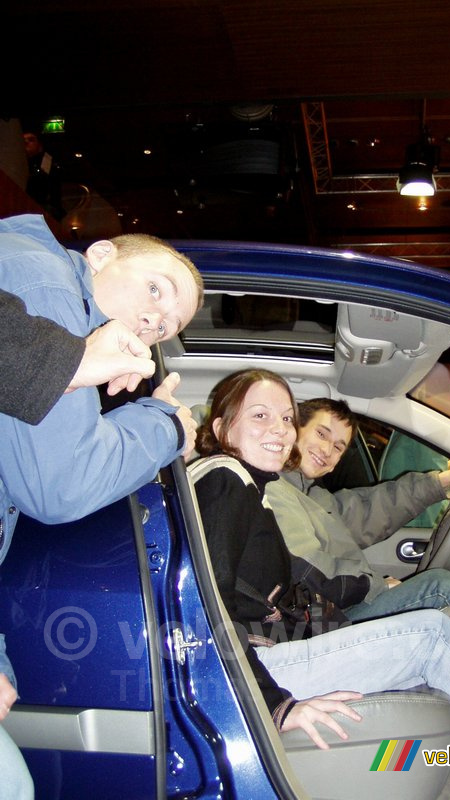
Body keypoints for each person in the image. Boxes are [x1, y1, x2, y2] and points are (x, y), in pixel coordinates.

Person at [194, 368, 450, 800]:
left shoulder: (265, 488)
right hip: (254, 664)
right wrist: (278, 704)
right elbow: (206, 608)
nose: (279, 429)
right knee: (432, 626)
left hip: (278, 644)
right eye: (260, 416)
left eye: (286, 418)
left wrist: (438, 483)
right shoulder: (226, 480)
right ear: (221, 427)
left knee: (432, 629)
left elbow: (361, 511)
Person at [0, 212, 203, 800]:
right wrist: (163, 425)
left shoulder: (57, 308)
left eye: (165, 325)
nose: (154, 317)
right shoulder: (46, 284)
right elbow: (58, 488)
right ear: (100, 254)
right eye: (155, 289)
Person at [265, 397, 450, 683]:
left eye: (338, 447)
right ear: (294, 429)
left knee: (440, 589)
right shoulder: (275, 491)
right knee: (443, 589)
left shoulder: (312, 496)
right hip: (325, 626)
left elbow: (372, 508)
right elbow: (311, 572)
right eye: (322, 434)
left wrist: (443, 481)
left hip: (332, 614)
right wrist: (378, 585)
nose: (327, 451)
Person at [0, 287, 157, 424]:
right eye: (153, 289)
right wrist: (168, 425)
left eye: (162, 328)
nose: (154, 322)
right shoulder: (50, 289)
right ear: (101, 255)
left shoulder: (121, 388)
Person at [22, 130, 65, 221]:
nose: (26, 142)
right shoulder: (15, 164)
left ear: (40, 146)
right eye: (23, 140)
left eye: (31, 140)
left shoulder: (47, 163)